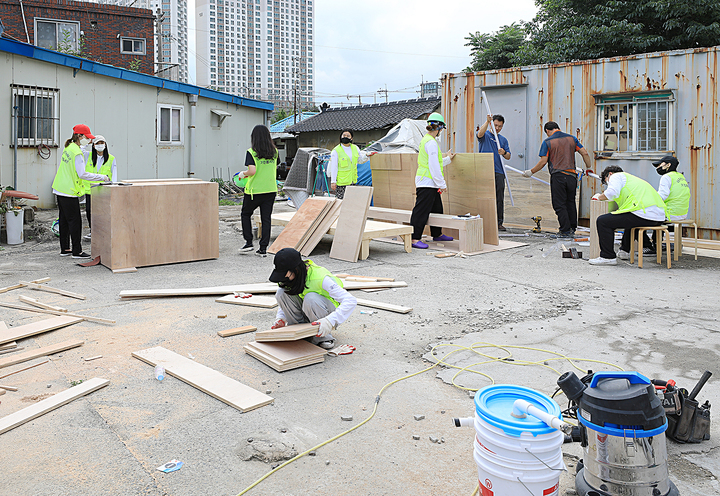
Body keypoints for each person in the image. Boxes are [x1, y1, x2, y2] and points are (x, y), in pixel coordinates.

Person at [269, 248, 357, 350]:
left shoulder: (320, 277)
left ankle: (323, 337)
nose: (284, 278)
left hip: (326, 311)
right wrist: (281, 318)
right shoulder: (289, 277)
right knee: (281, 292)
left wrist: (329, 321)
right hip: (307, 310)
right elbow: (287, 296)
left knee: (311, 298)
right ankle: (299, 333)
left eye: (286, 275)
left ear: (296, 270)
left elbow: (351, 301)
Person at [523, 121, 593, 238]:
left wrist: (531, 172)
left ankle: (565, 231)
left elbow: (543, 161)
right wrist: (588, 167)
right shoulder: (572, 139)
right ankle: (572, 228)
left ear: (547, 131)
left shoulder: (548, 141)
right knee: (570, 202)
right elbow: (584, 153)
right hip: (572, 176)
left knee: (559, 204)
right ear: (558, 128)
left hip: (558, 176)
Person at [589, 166, 667, 265]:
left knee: (603, 221)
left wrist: (598, 197)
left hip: (644, 213)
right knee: (628, 221)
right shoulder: (632, 180)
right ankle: (624, 251)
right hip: (658, 217)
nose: (608, 184)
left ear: (609, 174)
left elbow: (612, 193)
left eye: (606, 181)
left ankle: (607, 256)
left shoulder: (616, 176)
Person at [52, 124, 109, 259]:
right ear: (79, 136)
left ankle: (65, 249)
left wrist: (86, 145)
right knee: (75, 221)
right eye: (87, 137)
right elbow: (82, 174)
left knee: (64, 220)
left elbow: (79, 148)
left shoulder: (69, 147)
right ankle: (77, 251)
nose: (89, 140)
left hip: (60, 188)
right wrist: (102, 177)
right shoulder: (77, 153)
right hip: (69, 191)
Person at [409, 112, 456, 249]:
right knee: (421, 211)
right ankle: (414, 238)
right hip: (427, 182)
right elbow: (434, 166)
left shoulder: (427, 140)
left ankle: (437, 233)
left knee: (437, 209)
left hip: (430, 182)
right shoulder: (431, 143)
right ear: (440, 127)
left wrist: (448, 159)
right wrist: (442, 184)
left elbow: (436, 163)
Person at [236, 125, 279, 257]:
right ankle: (263, 249)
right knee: (266, 219)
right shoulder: (275, 152)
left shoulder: (251, 152)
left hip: (254, 191)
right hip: (270, 190)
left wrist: (243, 174)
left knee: (245, 214)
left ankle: (249, 242)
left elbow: (252, 171)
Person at [477, 114, 511, 231]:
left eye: (500, 126)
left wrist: (503, 152)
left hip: (499, 171)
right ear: (492, 124)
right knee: (484, 197)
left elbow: (508, 156)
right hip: (484, 170)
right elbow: (479, 134)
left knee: (499, 197)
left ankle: (498, 222)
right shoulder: (485, 135)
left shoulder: (503, 140)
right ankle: (483, 220)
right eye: (495, 125)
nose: (497, 128)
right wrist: (487, 122)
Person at [82, 135, 117, 241]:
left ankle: (102, 230)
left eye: (102, 143)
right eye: (97, 143)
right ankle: (93, 231)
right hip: (90, 189)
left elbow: (114, 174)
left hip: (103, 190)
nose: (100, 145)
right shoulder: (88, 156)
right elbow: (80, 150)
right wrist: (88, 141)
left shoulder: (111, 158)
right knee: (89, 211)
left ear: (105, 145)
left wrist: (113, 187)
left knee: (102, 212)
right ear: (93, 145)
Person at [328, 129, 372, 200]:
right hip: (342, 183)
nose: (345, 137)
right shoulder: (336, 151)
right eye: (344, 135)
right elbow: (334, 167)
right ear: (340, 137)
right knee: (341, 202)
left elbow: (359, 161)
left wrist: (366, 156)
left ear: (351, 138)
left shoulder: (355, 148)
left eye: (348, 136)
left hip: (352, 181)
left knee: (351, 202)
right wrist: (333, 181)